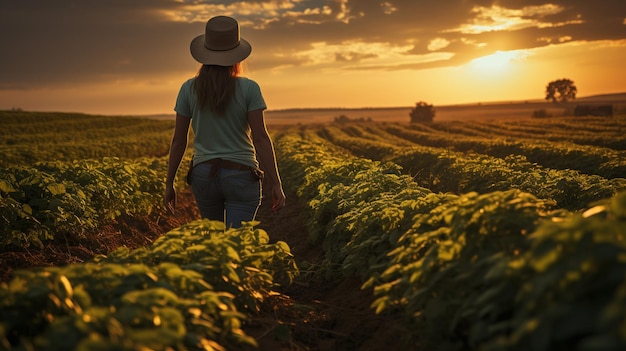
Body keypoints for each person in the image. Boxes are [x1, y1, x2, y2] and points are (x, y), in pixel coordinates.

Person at [164, 15, 286, 228]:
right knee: (235, 244)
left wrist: (169, 183)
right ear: (236, 56)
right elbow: (260, 138)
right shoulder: (249, 88)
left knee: (215, 243)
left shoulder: (188, 89)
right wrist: (276, 183)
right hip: (240, 172)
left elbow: (178, 141)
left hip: (203, 175)